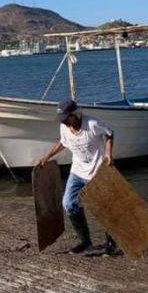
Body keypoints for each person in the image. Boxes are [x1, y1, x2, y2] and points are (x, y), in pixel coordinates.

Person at [37, 99, 119, 255]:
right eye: (62, 120)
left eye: (66, 119)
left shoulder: (92, 124)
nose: (64, 122)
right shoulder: (64, 127)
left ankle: (111, 243)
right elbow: (63, 142)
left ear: (75, 114)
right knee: (68, 203)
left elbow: (110, 133)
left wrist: (109, 153)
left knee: (104, 208)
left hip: (96, 172)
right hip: (77, 172)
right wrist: (48, 156)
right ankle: (84, 240)